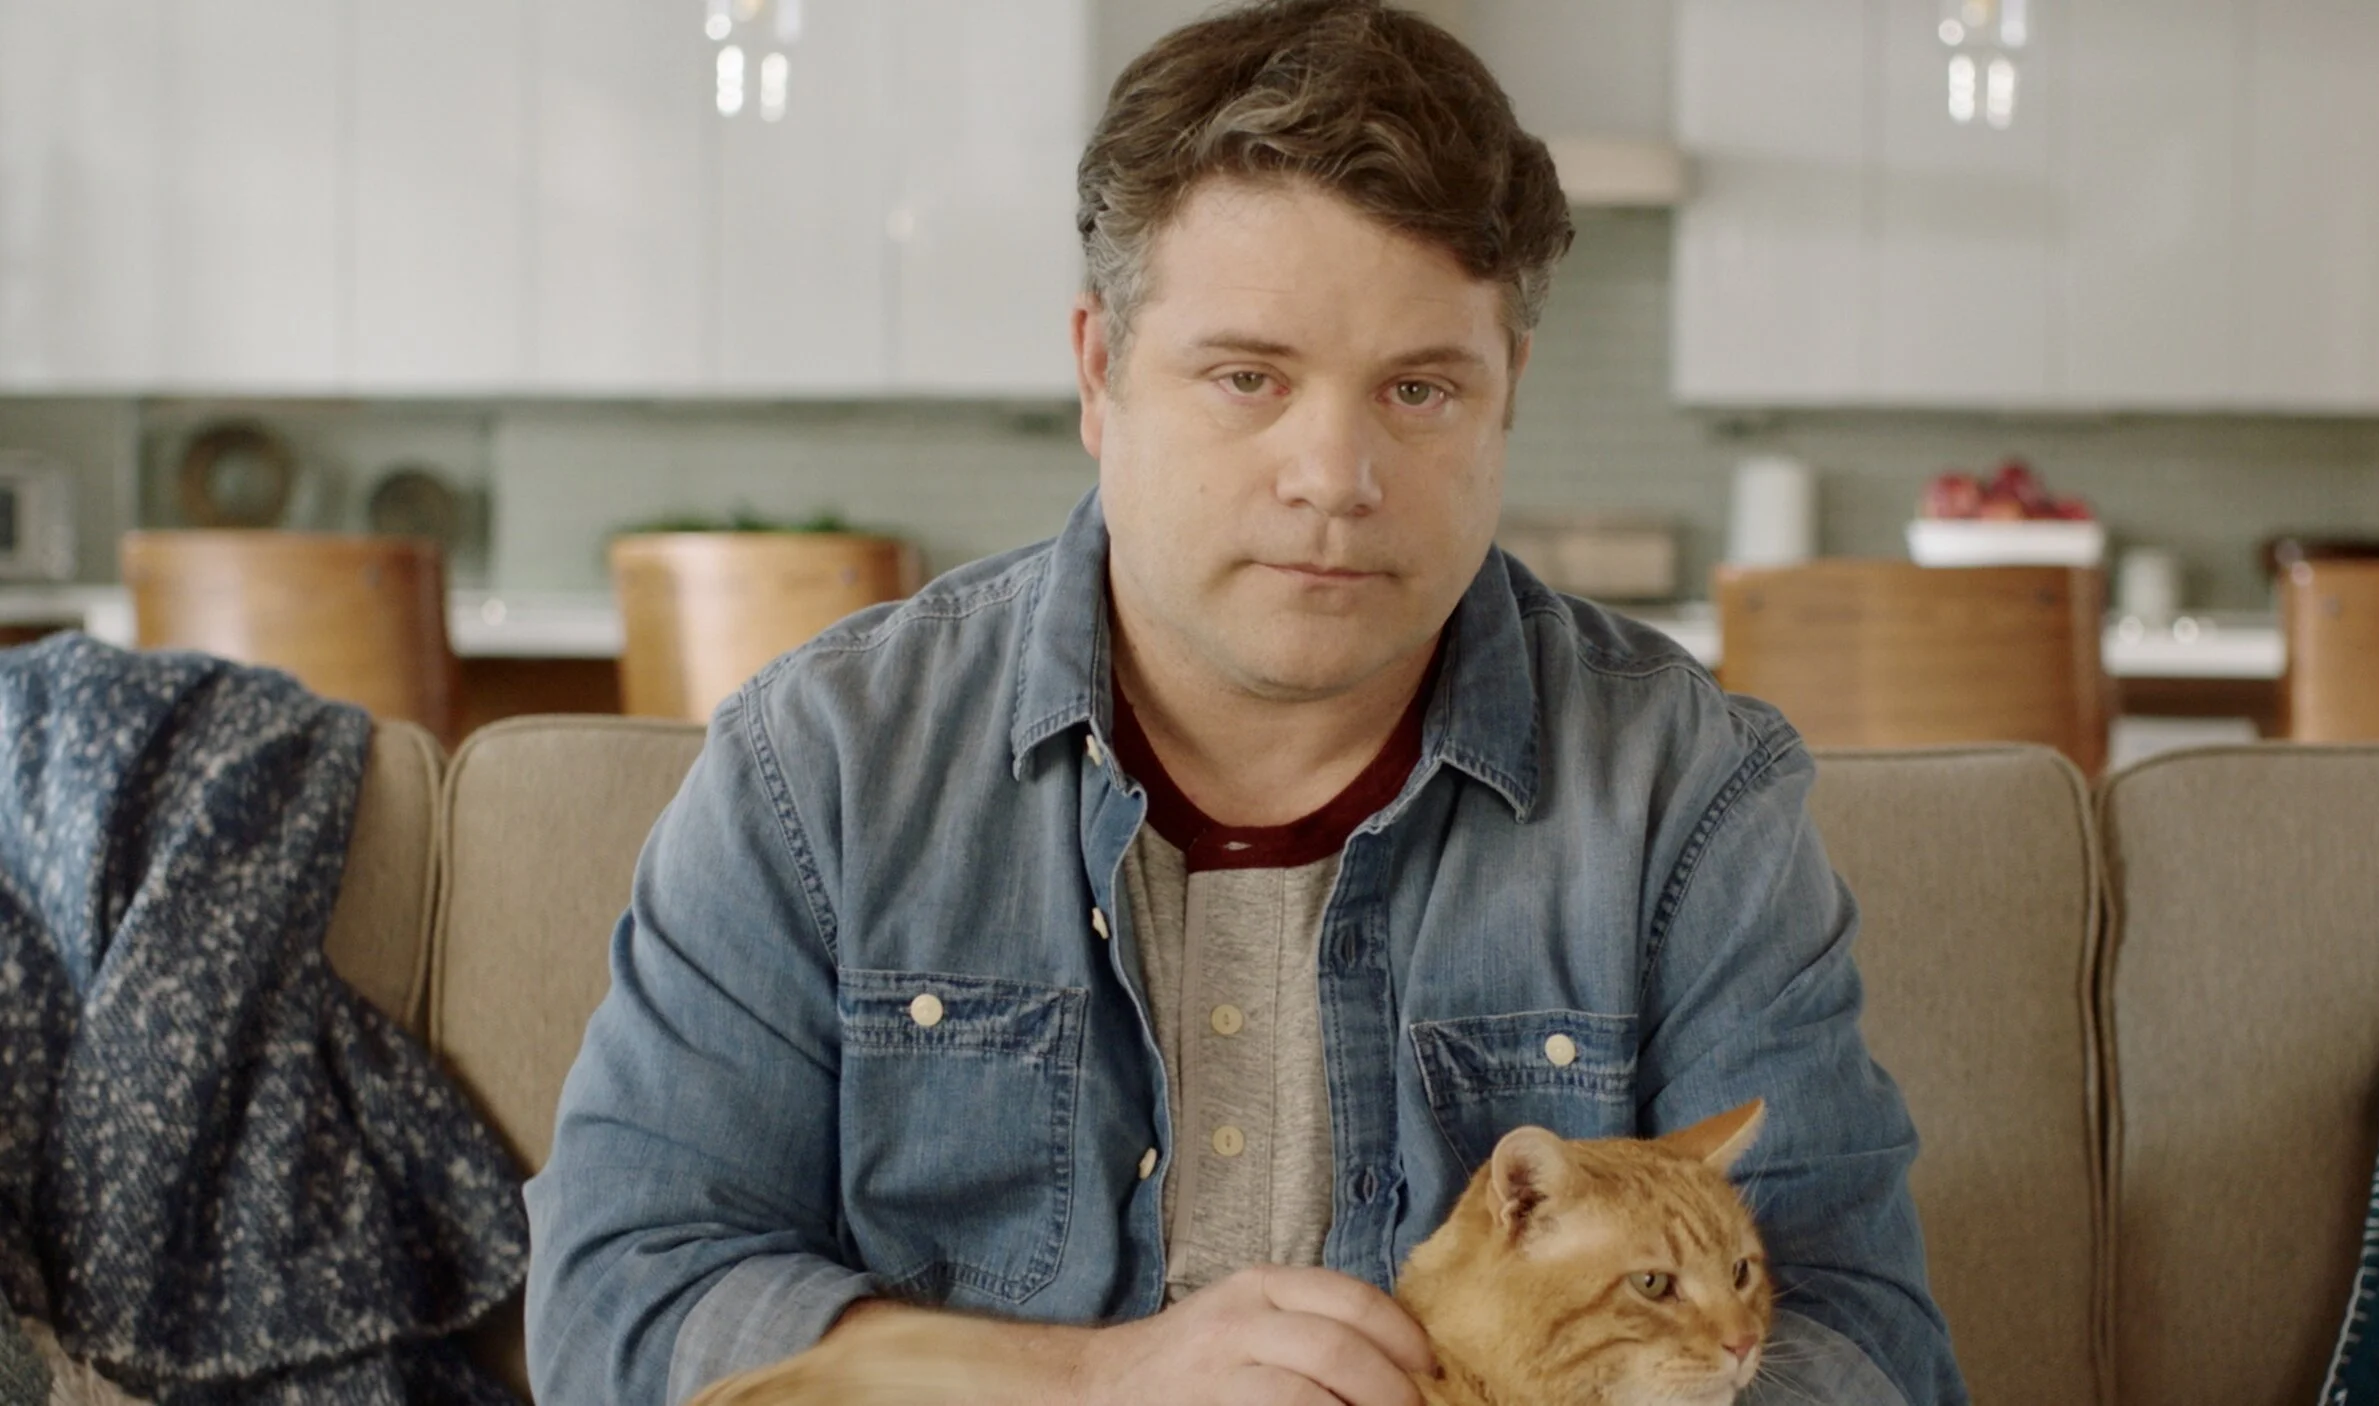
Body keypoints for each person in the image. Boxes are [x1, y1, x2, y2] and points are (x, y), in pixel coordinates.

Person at [524, 2, 1969, 1402]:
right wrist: (1087, 1384)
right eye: (1247, 377)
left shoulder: (1687, 789)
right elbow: (615, 1308)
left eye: (1419, 391)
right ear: (1100, 373)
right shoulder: (821, 763)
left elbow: (1862, 1348)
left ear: (1508, 391)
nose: (1334, 477)